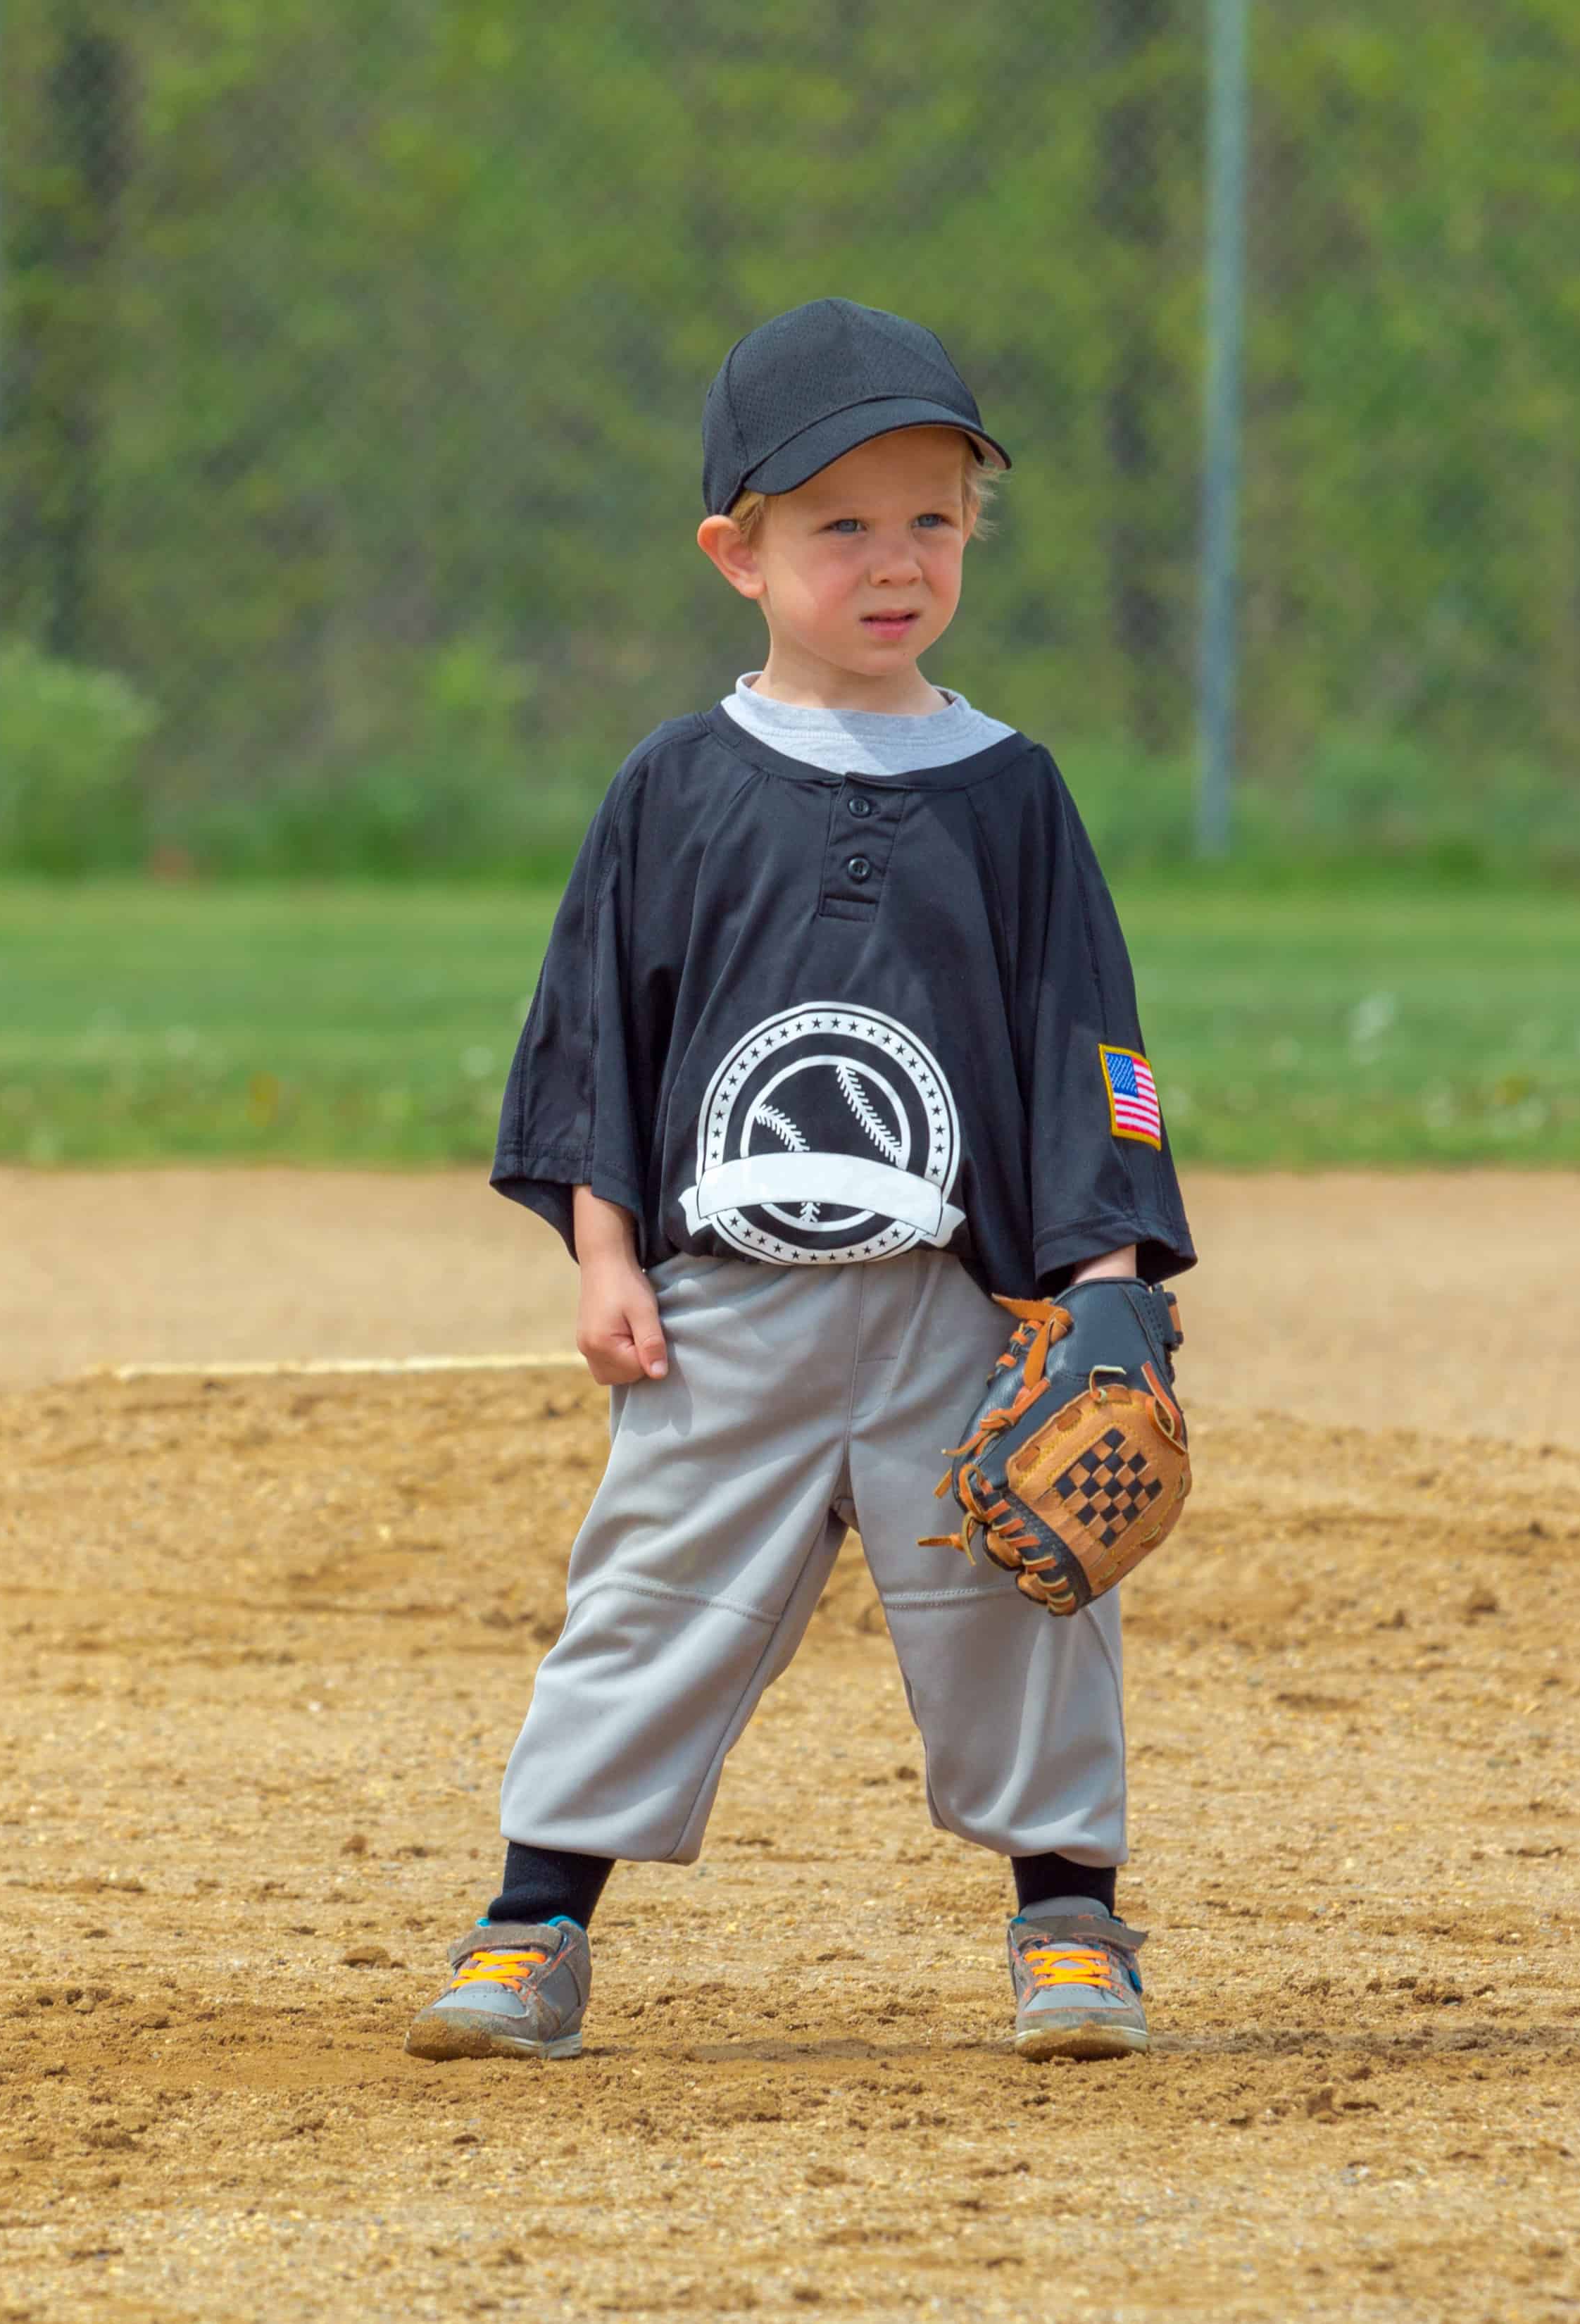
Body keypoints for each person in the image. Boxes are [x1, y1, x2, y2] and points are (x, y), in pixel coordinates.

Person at [406, 300, 1196, 2066]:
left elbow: (1091, 1042)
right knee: (652, 1598)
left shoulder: (1008, 794)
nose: (893, 559)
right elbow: (597, 1032)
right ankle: (533, 1923)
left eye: (931, 516)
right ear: (736, 553)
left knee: (1024, 1596)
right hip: (723, 1309)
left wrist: (1110, 1278)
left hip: (953, 1311)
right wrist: (602, 1252)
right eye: (839, 523)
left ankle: (1068, 1923)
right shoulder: (678, 787)